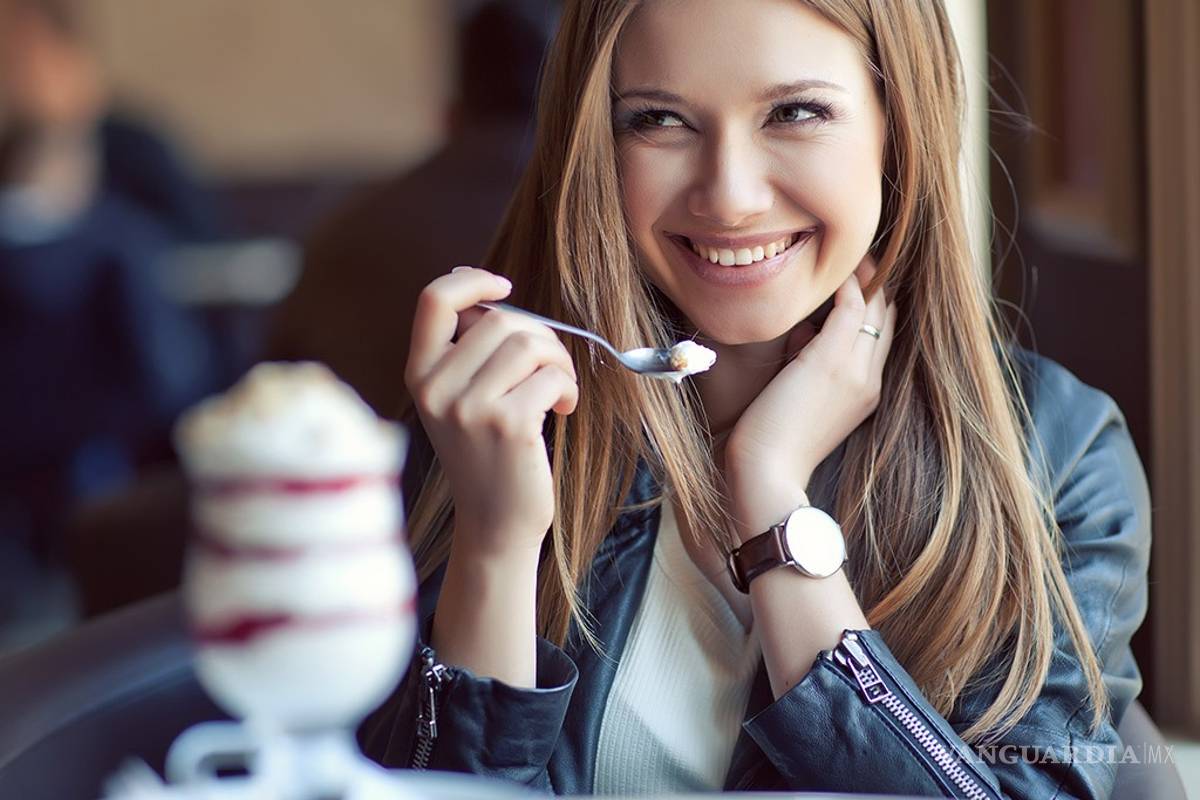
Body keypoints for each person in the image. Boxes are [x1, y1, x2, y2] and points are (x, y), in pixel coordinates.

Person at [359, 1, 1150, 797]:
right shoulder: (491, 427)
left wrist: (771, 493)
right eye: (659, 120)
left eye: (796, 112)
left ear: (898, 125)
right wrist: (495, 543)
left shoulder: (1056, 454)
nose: (729, 198)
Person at [265, 0, 556, 417]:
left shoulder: (347, 227)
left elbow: (278, 387)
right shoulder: (613, 234)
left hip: (352, 474)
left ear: (449, 115)